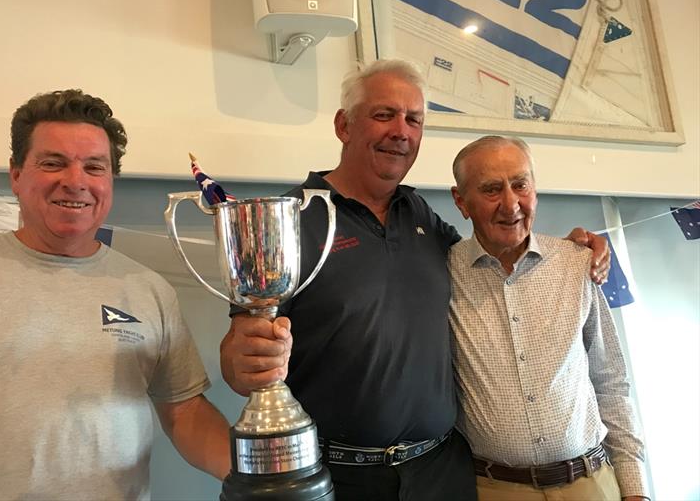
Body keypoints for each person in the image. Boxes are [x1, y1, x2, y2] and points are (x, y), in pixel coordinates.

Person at [220, 60, 611, 501]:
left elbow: (491, 253)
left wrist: (569, 248)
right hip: (343, 476)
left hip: (443, 471)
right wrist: (243, 360)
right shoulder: (289, 218)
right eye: (384, 115)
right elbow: (240, 352)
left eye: (414, 119)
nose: (401, 131)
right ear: (343, 126)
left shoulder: (420, 215)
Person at [0, 90, 230, 499]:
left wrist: (260, 477)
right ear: (16, 175)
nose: (75, 181)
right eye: (53, 162)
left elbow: (185, 412)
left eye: (95, 167)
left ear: (110, 182)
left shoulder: (149, 290)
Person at [448, 135, 648, 501]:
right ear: (461, 201)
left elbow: (611, 383)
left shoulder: (577, 263)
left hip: (591, 483)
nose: (511, 205)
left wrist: (635, 489)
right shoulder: (442, 273)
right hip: (494, 489)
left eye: (520, 185)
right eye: (492, 189)